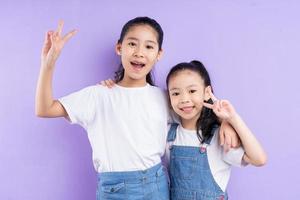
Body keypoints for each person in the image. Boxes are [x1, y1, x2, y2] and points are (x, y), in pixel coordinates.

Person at [35, 16, 239, 199]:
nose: (140, 52)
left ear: (159, 54)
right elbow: (44, 109)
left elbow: (195, 111)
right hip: (114, 189)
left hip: (156, 185)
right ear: (119, 48)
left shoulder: (163, 97)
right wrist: (48, 63)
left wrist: (225, 122)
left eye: (149, 47)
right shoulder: (98, 95)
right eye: (132, 44)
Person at [165, 60, 267, 200]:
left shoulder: (219, 136)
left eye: (192, 91)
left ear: (207, 92)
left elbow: (259, 159)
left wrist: (232, 119)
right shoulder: (169, 133)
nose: (184, 99)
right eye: (176, 93)